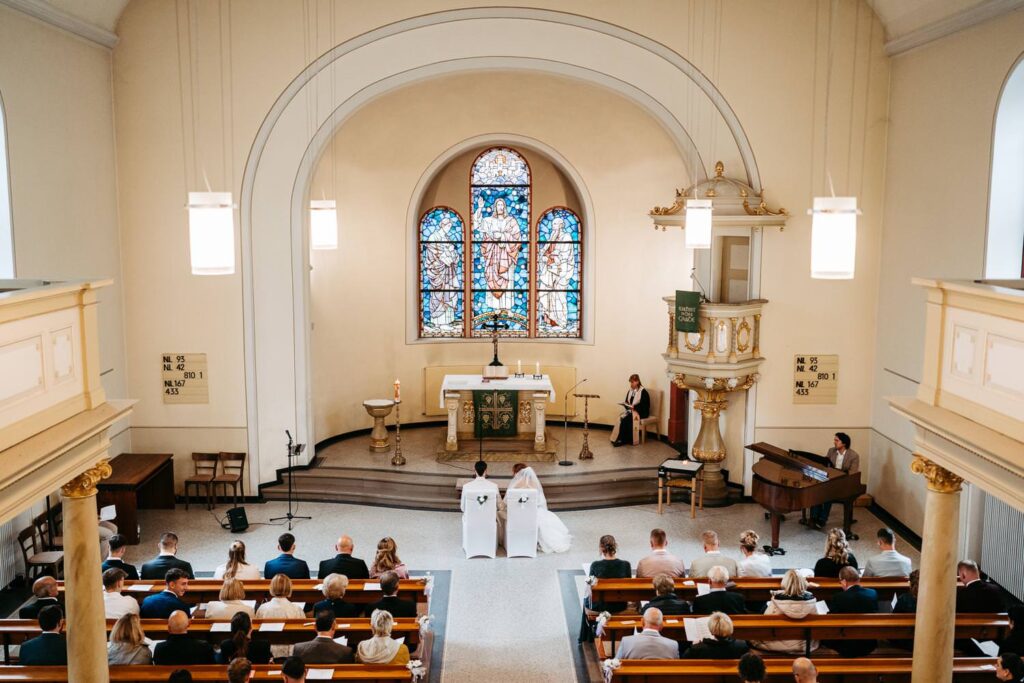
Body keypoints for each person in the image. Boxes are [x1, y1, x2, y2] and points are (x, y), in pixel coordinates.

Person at [504, 465, 571, 553]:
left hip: (519, 514)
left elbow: (507, 501)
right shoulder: (535, 484)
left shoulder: (516, 484)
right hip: (534, 512)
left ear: (516, 473)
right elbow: (540, 501)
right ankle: (536, 541)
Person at [751, 569, 818, 655]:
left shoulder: (775, 603)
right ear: (803, 583)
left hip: (775, 645)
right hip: (805, 645)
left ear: (784, 583)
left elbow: (765, 624)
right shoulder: (811, 602)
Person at [823, 566, 878, 657]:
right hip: (868, 643)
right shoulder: (872, 593)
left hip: (844, 645)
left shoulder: (838, 597)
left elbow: (832, 619)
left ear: (844, 582)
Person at [809, 432, 860, 529]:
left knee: (828, 494)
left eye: (837, 440)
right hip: (830, 480)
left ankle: (822, 520)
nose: (834, 442)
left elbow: (853, 472)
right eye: (834, 440)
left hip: (844, 482)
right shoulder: (831, 451)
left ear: (844, 443)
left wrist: (837, 473)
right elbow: (825, 465)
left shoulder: (853, 456)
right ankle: (814, 518)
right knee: (816, 490)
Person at [256, 573, 307, 658]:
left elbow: (257, 631)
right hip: (290, 652)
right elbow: (303, 634)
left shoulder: (263, 608)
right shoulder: (296, 609)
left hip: (267, 651)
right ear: (289, 588)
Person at [683, 611, 749, 659]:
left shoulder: (697, 648)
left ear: (711, 630)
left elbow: (684, 659)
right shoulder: (741, 645)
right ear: (730, 627)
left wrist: (693, 646)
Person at [610, 374, 649, 447]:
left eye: (632, 382)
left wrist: (634, 407)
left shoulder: (643, 392)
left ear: (637, 381)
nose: (631, 384)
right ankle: (619, 438)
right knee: (621, 418)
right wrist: (626, 405)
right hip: (632, 411)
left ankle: (623, 440)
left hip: (641, 412)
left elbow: (645, 406)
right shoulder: (631, 391)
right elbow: (627, 401)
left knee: (626, 420)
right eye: (630, 382)